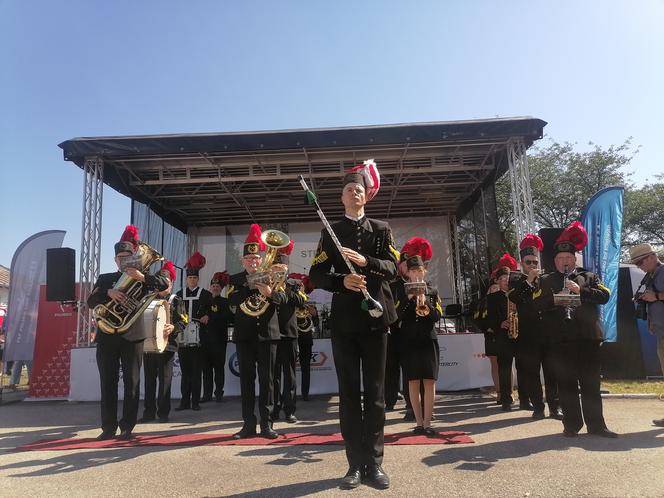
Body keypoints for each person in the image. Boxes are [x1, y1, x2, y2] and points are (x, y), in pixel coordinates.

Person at [309, 160, 398, 490]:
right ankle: (353, 465)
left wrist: (366, 262)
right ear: (342, 197)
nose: (354, 193)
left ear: (367, 195)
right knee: (348, 394)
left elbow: (393, 267)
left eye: (359, 189)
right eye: (349, 189)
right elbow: (315, 275)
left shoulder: (382, 228)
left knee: (375, 394)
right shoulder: (329, 231)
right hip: (345, 321)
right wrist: (339, 281)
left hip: (376, 319)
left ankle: (374, 464)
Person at [534, 221, 616, 438]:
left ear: (574, 259)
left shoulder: (589, 276)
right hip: (560, 341)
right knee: (567, 385)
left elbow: (605, 296)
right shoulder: (545, 280)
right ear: (555, 262)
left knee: (590, 384)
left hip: (587, 338)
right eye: (560, 259)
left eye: (568, 259)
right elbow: (536, 305)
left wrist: (581, 291)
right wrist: (554, 299)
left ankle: (597, 425)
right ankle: (571, 425)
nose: (565, 262)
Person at [87, 225, 169, 440]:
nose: (124, 261)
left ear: (133, 257)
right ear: (115, 260)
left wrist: (142, 277)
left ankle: (127, 427)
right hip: (107, 336)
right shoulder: (105, 278)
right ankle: (108, 427)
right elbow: (90, 301)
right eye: (120, 258)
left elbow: (164, 285)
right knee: (108, 382)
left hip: (132, 336)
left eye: (128, 256)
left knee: (132, 384)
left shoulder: (144, 276)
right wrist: (109, 292)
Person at [228, 224, 285, 440]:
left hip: (268, 335)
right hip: (244, 336)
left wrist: (270, 292)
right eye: (249, 259)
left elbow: (284, 300)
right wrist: (249, 286)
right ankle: (248, 425)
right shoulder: (235, 279)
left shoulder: (272, 276)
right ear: (243, 261)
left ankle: (267, 424)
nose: (253, 262)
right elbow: (231, 302)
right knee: (247, 381)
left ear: (261, 259)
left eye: (256, 258)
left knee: (267, 381)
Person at [509, 234, 562, 420]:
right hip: (528, 333)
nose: (532, 265)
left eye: (535, 261)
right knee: (532, 372)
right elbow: (514, 298)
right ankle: (538, 407)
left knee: (551, 371)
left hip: (548, 332)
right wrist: (529, 281)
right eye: (528, 262)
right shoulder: (515, 279)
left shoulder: (547, 278)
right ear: (521, 263)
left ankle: (555, 407)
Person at [394, 238, 442, 436]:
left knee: (429, 382)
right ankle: (419, 422)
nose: (416, 274)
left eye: (419, 271)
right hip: (409, 341)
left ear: (424, 272)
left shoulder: (432, 291)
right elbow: (397, 316)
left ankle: (429, 422)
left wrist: (425, 302)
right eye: (412, 271)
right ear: (408, 273)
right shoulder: (401, 291)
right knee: (413, 381)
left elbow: (437, 316)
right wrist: (410, 298)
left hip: (428, 339)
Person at [139, 261, 183, 423]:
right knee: (149, 380)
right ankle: (148, 412)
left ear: (171, 284)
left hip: (167, 345)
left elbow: (183, 320)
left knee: (165, 381)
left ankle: (163, 413)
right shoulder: (147, 299)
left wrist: (173, 327)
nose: (164, 285)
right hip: (149, 345)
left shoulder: (176, 300)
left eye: (167, 282)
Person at [630, 243, 664, 427]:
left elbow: (658, 296)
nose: (639, 266)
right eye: (636, 264)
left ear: (652, 257)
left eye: (640, 262)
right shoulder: (652, 275)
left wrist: (656, 296)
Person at [272, 242, 306, 424]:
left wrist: (285, 287)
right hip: (272, 334)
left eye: (283, 267)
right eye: (277, 267)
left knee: (290, 374)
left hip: (290, 333)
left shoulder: (295, 283)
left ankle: (290, 410)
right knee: (274, 375)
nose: (280, 270)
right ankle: (275, 408)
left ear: (287, 268)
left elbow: (302, 302)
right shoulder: (267, 283)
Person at [175, 252, 211, 411]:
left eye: (195, 278)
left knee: (197, 371)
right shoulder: (178, 295)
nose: (192, 280)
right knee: (185, 372)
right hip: (182, 339)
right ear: (186, 279)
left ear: (198, 279)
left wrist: (207, 316)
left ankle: (195, 402)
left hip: (199, 339)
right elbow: (174, 314)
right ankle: (184, 401)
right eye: (190, 278)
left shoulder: (206, 294)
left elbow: (212, 313)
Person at [484, 253, 519, 411]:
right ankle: (506, 398)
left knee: (523, 366)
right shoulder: (492, 298)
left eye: (508, 278)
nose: (506, 281)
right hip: (503, 337)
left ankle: (524, 397)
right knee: (503, 367)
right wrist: (500, 324)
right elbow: (489, 319)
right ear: (498, 281)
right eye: (503, 279)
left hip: (520, 335)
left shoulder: (518, 295)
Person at [201, 271, 233, 403]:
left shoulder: (225, 302)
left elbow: (229, 318)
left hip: (219, 340)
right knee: (206, 369)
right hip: (205, 340)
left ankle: (219, 393)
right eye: (213, 286)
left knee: (219, 368)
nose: (215, 288)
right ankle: (207, 395)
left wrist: (211, 317)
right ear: (210, 287)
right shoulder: (204, 301)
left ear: (221, 289)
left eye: (217, 287)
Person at [288, 273, 317, 401]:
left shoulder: (310, 304)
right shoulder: (291, 302)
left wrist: (314, 314)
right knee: (290, 368)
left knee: (306, 368)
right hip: (293, 337)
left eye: (302, 287)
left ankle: (305, 393)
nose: (300, 289)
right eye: (298, 287)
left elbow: (316, 323)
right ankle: (290, 394)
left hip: (306, 338)